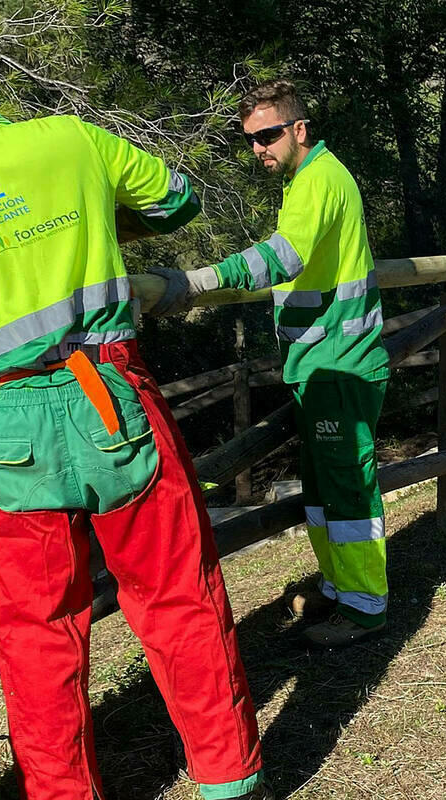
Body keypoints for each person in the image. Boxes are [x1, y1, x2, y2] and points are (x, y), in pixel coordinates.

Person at [0, 38, 270, 800]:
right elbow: (180, 201)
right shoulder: (71, 139)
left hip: (10, 427)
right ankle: (227, 777)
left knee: (35, 634)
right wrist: (88, 224)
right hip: (110, 395)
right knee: (177, 595)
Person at [150, 79, 389, 649]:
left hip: (340, 363)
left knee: (348, 487)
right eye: (251, 139)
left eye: (268, 134)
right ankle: (341, 588)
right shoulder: (316, 179)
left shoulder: (318, 181)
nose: (259, 147)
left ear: (299, 129)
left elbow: (282, 257)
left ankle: (363, 609)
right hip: (325, 361)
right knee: (326, 484)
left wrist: (200, 281)